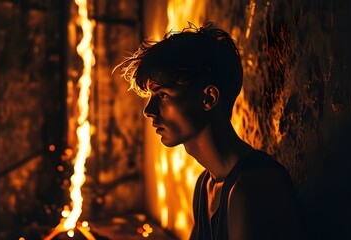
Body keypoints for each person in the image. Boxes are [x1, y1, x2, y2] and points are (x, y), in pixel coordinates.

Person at [117, 22, 301, 240]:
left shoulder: (254, 185)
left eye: (163, 95)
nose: (149, 111)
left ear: (209, 98)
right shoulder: (206, 185)